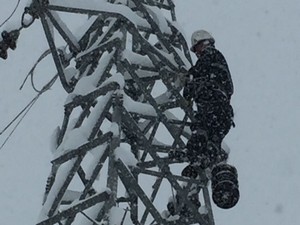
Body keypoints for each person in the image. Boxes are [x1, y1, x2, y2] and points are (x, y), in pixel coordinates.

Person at [183, 30, 234, 169]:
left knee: (204, 135)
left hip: (214, 109)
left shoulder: (211, 55)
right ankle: (198, 161)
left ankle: (199, 158)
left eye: (197, 49)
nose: (197, 53)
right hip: (220, 113)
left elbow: (200, 70)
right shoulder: (215, 64)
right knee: (206, 140)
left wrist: (190, 79)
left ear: (203, 43)